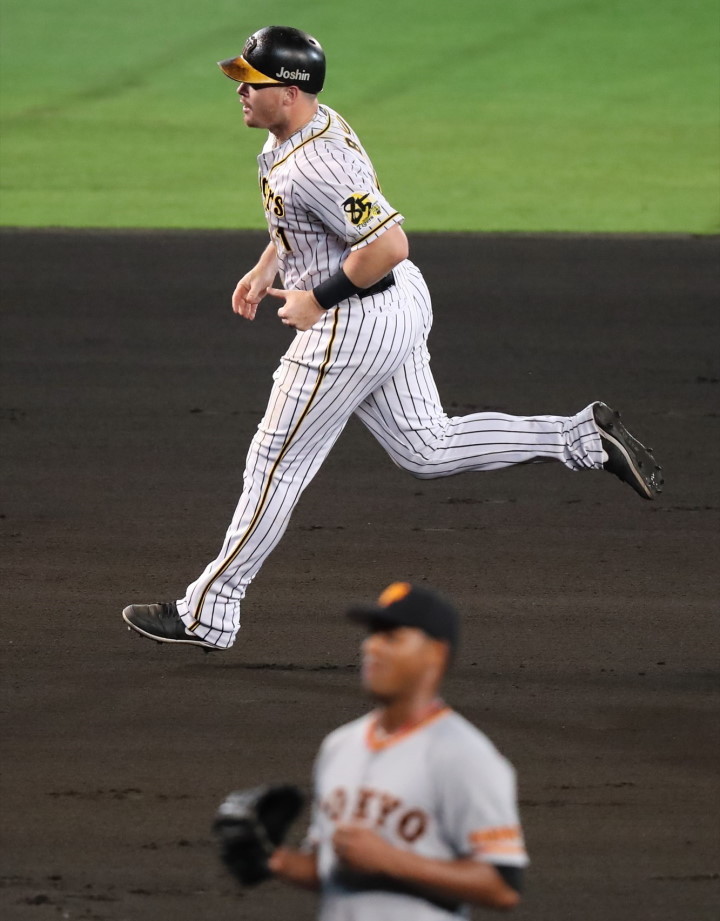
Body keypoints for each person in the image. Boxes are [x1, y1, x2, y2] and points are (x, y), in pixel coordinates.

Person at [122, 26, 663, 651]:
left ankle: (208, 610)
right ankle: (578, 438)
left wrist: (316, 298)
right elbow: (312, 222)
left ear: (292, 92)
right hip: (398, 303)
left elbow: (387, 243)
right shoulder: (310, 129)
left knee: (275, 463)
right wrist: (269, 265)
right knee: (424, 447)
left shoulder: (314, 162)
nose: (241, 89)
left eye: (254, 80)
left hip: (355, 320)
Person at [269, 581, 528, 918]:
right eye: (373, 635)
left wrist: (391, 861)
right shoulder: (339, 746)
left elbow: (503, 887)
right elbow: (331, 867)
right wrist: (274, 859)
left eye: (392, 638)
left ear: (436, 653)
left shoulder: (464, 755)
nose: (373, 647)